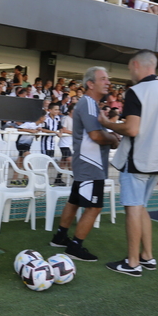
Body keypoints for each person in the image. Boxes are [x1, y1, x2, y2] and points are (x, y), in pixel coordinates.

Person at [99, 50, 158, 276]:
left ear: (136, 65)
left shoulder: (137, 91)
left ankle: (133, 263)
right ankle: (147, 256)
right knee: (141, 207)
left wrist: (109, 123)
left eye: (129, 68)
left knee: (134, 208)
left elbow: (132, 129)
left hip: (139, 159)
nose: (130, 72)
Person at [49, 67, 120, 261]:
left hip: (86, 162)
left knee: (74, 201)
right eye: (103, 79)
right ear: (90, 83)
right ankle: (74, 247)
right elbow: (96, 135)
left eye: (108, 79)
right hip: (91, 164)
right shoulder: (88, 103)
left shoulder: (90, 104)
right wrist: (113, 139)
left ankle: (60, 237)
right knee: (94, 207)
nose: (108, 82)